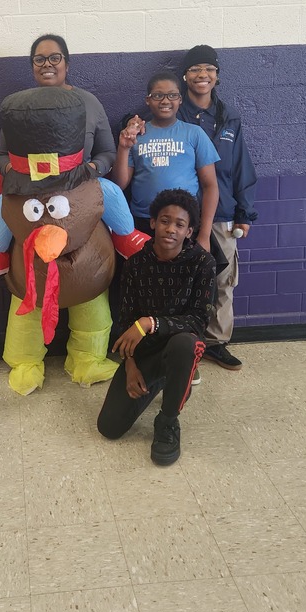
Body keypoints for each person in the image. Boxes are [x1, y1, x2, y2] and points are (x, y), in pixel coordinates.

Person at [0, 34, 147, 280]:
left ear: (67, 64)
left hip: (79, 186)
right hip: (30, 190)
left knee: (110, 191)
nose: (47, 64)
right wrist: (15, 172)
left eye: (54, 58)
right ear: (32, 66)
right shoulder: (19, 107)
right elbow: (2, 156)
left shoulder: (88, 102)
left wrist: (91, 169)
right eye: (39, 59)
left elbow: (108, 153)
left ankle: (126, 236)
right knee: (1, 204)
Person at [128, 46, 257, 371]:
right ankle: (183, 347)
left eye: (209, 69)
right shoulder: (169, 117)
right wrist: (131, 128)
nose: (203, 75)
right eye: (196, 69)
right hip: (178, 218)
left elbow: (241, 168)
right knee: (180, 284)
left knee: (222, 279)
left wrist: (245, 212)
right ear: (185, 77)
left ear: (216, 76)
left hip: (220, 213)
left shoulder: (227, 118)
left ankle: (215, 343)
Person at [97, 189, 216, 465]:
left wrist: (151, 322)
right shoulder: (136, 264)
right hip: (144, 353)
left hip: (179, 345)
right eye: (165, 220)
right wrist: (130, 366)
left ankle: (168, 421)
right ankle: (163, 377)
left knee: (186, 344)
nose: (170, 229)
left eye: (179, 224)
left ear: (189, 232)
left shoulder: (202, 264)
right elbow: (125, 320)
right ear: (152, 223)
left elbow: (199, 321)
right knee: (109, 428)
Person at [112, 70, 220, 251]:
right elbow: (120, 183)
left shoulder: (194, 134)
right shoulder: (137, 134)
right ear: (148, 100)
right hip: (144, 222)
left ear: (180, 99)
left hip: (183, 222)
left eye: (172, 95)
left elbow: (210, 186)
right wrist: (123, 148)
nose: (165, 101)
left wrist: (204, 234)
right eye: (158, 95)